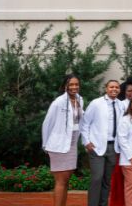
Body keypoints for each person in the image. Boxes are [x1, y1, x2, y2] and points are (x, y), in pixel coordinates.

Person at [42, 75, 83, 206]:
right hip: (58, 145)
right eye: (71, 84)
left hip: (72, 144)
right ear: (65, 86)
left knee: (66, 180)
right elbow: (47, 123)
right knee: (61, 180)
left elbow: (82, 119)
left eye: (76, 84)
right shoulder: (58, 102)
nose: (74, 87)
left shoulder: (80, 100)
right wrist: (45, 144)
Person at [81, 80, 123, 206]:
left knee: (106, 180)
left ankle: (103, 204)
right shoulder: (96, 103)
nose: (114, 89)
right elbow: (85, 123)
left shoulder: (121, 105)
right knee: (97, 178)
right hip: (97, 147)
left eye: (116, 87)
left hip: (113, 148)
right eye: (111, 87)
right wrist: (87, 142)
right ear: (106, 88)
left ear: (119, 90)